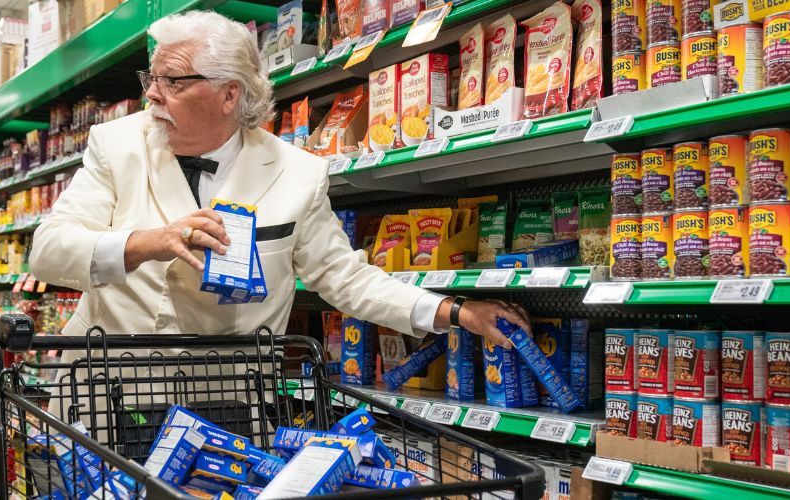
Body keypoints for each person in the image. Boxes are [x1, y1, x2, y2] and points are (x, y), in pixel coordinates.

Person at [29, 10, 531, 358]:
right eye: (150, 79)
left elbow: (346, 278)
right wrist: (147, 243)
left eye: (173, 82)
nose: (153, 96)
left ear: (230, 95)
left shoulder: (298, 173)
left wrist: (455, 311)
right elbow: (48, 251)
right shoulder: (116, 144)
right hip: (113, 387)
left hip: (225, 397)